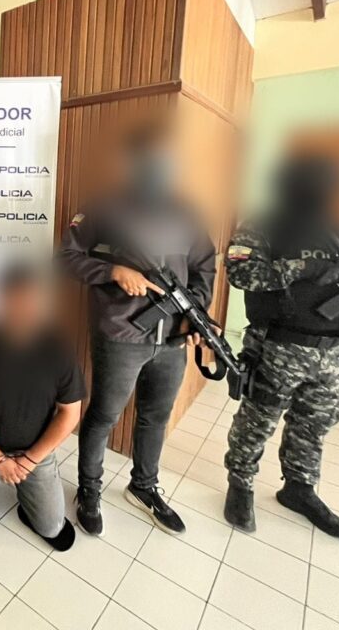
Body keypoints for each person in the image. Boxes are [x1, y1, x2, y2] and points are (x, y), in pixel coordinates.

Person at [223, 154, 339, 538]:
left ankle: (299, 488)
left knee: (315, 422)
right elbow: (240, 273)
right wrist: (303, 269)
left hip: (332, 351)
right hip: (278, 345)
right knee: (259, 417)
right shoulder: (262, 225)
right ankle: (240, 482)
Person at [60, 128, 216, 536]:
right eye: (151, 159)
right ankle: (89, 490)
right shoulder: (103, 207)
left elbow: (205, 266)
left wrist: (196, 312)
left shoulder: (186, 212)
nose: (159, 167)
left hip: (174, 336)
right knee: (105, 415)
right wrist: (112, 270)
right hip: (121, 334)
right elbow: (67, 257)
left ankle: (144, 486)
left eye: (167, 159)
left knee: (155, 416)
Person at [0, 264, 82, 550]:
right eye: (14, 300)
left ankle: (27, 496)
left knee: (52, 527)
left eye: (29, 301)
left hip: (35, 453)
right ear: (0, 301)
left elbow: (69, 413)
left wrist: (28, 461)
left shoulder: (58, 347)